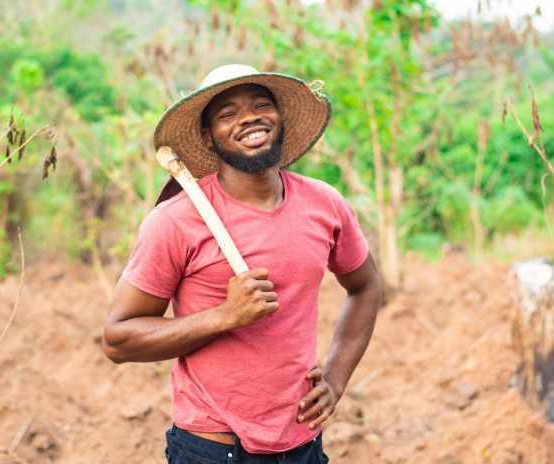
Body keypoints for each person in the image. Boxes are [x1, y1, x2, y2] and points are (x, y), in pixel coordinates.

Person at [103, 64, 382, 463]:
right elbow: (118, 339)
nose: (249, 117)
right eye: (227, 113)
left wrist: (336, 378)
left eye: (260, 105)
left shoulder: (325, 204)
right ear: (207, 136)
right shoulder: (175, 221)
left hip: (302, 443)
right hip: (213, 447)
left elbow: (366, 286)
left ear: (279, 117)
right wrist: (224, 316)